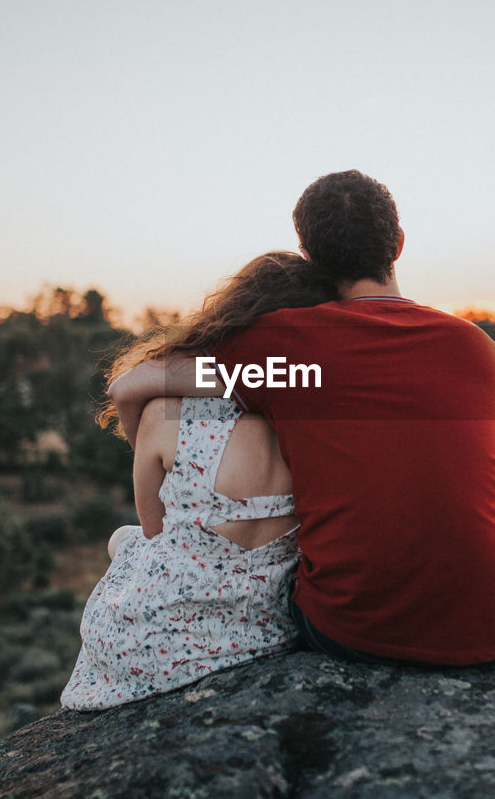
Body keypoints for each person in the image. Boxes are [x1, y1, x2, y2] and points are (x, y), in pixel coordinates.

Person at [108, 170, 495, 667]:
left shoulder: (288, 349)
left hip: (345, 631)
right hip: (488, 632)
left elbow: (129, 386)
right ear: (398, 244)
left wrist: (151, 450)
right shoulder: (478, 349)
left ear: (311, 259)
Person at [60, 252, 336, 710]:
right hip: (263, 628)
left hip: (145, 644)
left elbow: (155, 531)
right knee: (124, 540)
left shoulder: (166, 411)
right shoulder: (325, 411)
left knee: (126, 539)